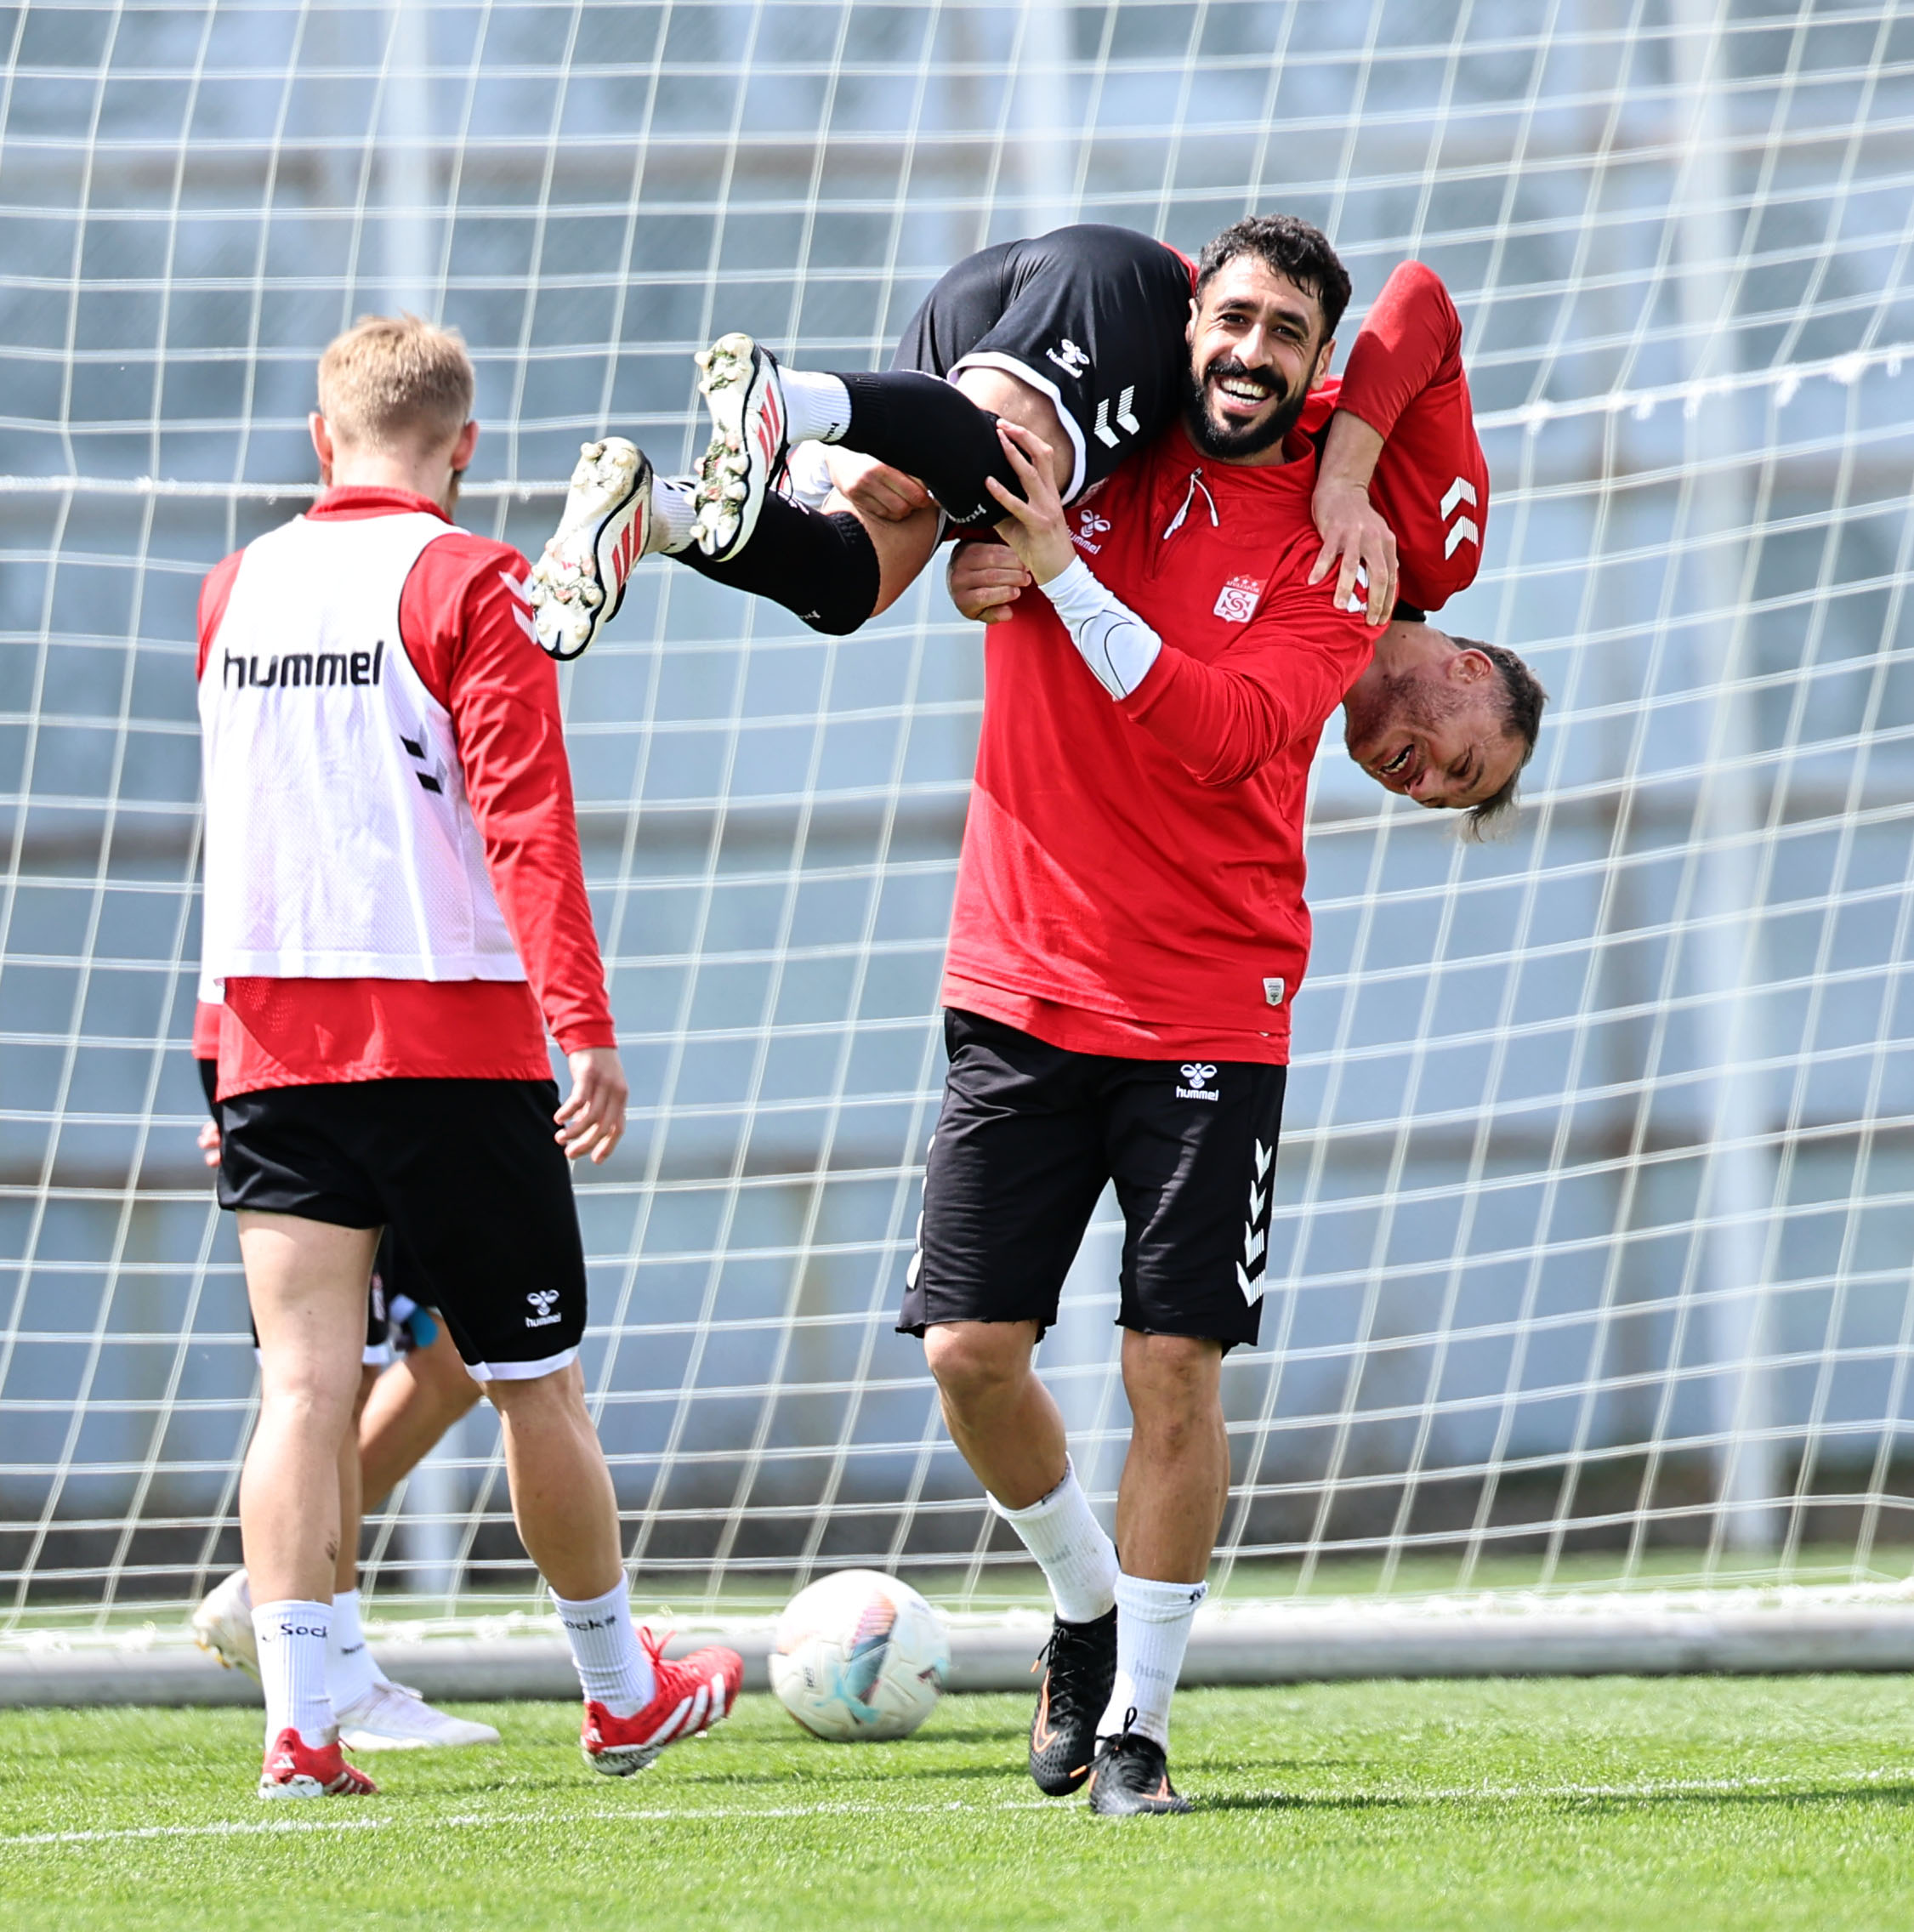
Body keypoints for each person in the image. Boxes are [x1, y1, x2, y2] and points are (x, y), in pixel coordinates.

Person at [196, 312, 740, 1799]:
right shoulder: (472, 579)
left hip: (270, 1042)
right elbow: (524, 820)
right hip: (450, 1043)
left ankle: (300, 1729)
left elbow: (236, 831)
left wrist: (212, 1052)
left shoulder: (232, 589)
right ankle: (623, 1693)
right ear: (466, 446)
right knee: (533, 1383)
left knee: (303, 1388)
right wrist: (586, 1028)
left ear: (323, 439)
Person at [897, 213, 1396, 1817]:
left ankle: (1140, 1732)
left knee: (1169, 1370)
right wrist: (994, 535)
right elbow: (1017, 304)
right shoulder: (1079, 454)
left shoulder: (1344, 541)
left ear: (1321, 370)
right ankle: (1086, 1602)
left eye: (1290, 337)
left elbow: (1223, 729)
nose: (1251, 351)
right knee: (972, 1354)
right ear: (1186, 325)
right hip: (1021, 973)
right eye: (1232, 318)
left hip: (1209, 1002)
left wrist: (1055, 575)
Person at [526, 225, 1541, 825]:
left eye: (1444, 798)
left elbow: (1084, 538)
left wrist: (992, 559)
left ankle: (657, 515)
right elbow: (1420, 299)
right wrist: (1348, 481)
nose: (1427, 784)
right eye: (1465, 761)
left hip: (1019, 402)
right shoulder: (1434, 548)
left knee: (849, 587)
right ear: (1469, 670)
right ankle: (789, 402)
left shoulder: (1287, 652)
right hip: (1122, 297)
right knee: (1017, 461)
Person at [189, 1027, 491, 1751]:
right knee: (331, 1380)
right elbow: (225, 972)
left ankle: (276, 1580)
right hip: (326, 1087)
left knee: (453, 1363)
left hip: (430, 1082)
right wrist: (233, 1093)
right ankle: (335, 1675)